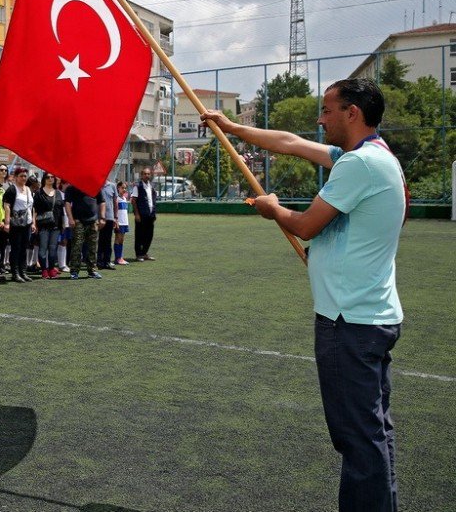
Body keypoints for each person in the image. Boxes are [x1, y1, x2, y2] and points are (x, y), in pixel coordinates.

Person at [202, 78, 405, 512]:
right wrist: (233, 128)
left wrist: (272, 207)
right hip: (369, 318)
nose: (320, 119)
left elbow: (307, 224)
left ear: (353, 113)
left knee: (359, 440)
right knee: (374, 434)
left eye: (328, 110)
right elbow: (290, 143)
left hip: (349, 322)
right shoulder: (372, 157)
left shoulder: (359, 165)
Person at [64, 182, 105, 280]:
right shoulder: (72, 187)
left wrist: (102, 217)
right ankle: (74, 271)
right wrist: (70, 218)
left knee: (92, 247)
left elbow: (102, 202)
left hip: (93, 221)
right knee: (77, 246)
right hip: (78, 221)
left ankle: (92, 271)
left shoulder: (95, 186)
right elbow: (67, 203)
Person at [2, 167, 35, 283]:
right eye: (21, 176)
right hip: (16, 224)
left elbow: (31, 207)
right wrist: (7, 223)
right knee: (16, 248)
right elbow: (7, 206)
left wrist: (33, 223)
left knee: (24, 248)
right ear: (16, 177)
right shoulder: (12, 189)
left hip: (27, 223)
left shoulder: (28, 189)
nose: (23, 178)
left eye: (25, 176)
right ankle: (15, 272)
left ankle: (23, 271)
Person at [33, 172, 64, 279]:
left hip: (56, 226)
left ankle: (51, 269)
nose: (50, 179)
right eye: (48, 177)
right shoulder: (39, 193)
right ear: (44, 179)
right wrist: (34, 224)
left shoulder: (58, 193)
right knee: (42, 250)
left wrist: (63, 224)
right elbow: (35, 210)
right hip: (43, 225)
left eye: (52, 177)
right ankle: (44, 270)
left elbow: (61, 210)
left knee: (52, 250)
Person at [131, 166, 158, 261]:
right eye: (145, 174)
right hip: (141, 215)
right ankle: (138, 254)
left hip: (150, 215)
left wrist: (154, 213)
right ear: (141, 175)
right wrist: (137, 214)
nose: (147, 175)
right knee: (139, 235)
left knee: (149, 235)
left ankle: (144, 253)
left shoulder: (152, 186)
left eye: (148, 174)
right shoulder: (138, 186)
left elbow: (153, 201)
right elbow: (133, 201)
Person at [97, 179, 118, 269]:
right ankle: (99, 262)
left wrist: (116, 217)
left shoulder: (112, 186)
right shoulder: (96, 185)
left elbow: (115, 202)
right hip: (98, 218)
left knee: (108, 240)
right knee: (100, 240)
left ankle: (107, 261)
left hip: (109, 217)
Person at [114, 182, 131, 265]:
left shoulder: (124, 198)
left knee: (122, 240)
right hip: (119, 222)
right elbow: (116, 210)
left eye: (125, 188)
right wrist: (116, 221)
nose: (124, 190)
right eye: (122, 188)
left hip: (124, 222)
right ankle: (118, 258)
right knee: (118, 239)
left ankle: (120, 257)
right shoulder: (116, 198)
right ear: (118, 188)